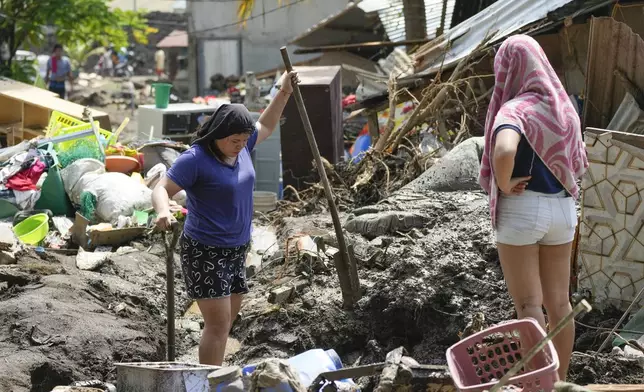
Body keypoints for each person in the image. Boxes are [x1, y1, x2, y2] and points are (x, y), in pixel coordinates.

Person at [152, 71, 299, 366]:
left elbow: (267, 123)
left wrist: (284, 92)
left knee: (226, 322)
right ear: (218, 135)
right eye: (235, 140)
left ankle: (213, 376)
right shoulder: (196, 159)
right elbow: (161, 188)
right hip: (206, 250)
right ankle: (208, 382)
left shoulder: (243, 147)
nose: (241, 144)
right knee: (217, 326)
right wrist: (163, 211)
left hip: (236, 248)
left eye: (245, 140)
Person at [478, 35, 589, 381]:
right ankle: (561, 382)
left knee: (529, 306)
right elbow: (579, 161)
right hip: (563, 209)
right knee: (560, 304)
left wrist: (504, 181)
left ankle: (536, 383)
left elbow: (505, 150)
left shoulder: (516, 108)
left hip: (523, 210)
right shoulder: (564, 107)